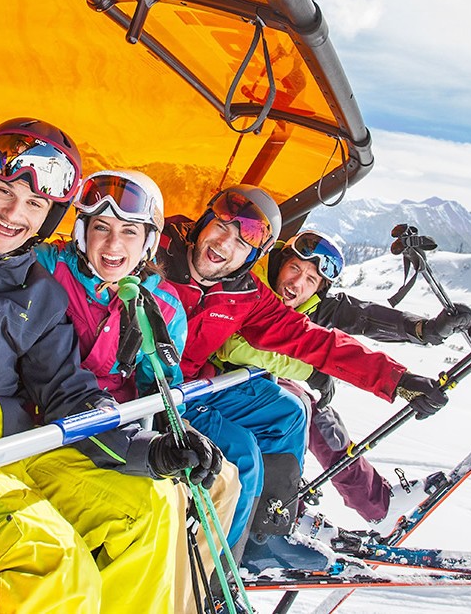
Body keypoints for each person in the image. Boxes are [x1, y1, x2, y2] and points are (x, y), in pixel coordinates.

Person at [0, 119, 222, 614]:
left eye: (35, 204)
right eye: (5, 191)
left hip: (20, 449)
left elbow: (68, 390)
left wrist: (150, 450)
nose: (15, 214)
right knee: (62, 568)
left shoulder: (40, 291)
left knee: (150, 508)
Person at [156, 184, 449, 564]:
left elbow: (319, 340)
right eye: (221, 227)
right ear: (202, 224)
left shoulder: (245, 294)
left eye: (242, 242)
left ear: (253, 257)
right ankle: (218, 572)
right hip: (150, 392)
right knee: (242, 452)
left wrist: (398, 379)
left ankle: (265, 533)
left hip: (190, 389)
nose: (225, 245)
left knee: (289, 411)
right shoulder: (157, 248)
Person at [35, 168, 240, 614]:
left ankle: (188, 600)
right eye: (101, 228)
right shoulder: (49, 271)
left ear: (147, 242)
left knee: (222, 478)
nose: (113, 245)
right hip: (58, 425)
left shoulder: (159, 304)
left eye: (129, 232)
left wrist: (174, 434)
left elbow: (158, 387)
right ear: (82, 230)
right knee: (160, 498)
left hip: (121, 426)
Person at [215, 229, 471, 571]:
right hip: (217, 385)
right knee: (301, 407)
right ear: (278, 263)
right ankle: (295, 514)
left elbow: (362, 316)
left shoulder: (308, 302)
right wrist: (310, 371)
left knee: (316, 411)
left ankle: (366, 504)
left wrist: (423, 330)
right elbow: (234, 346)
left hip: (251, 388)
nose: (298, 283)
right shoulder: (251, 284)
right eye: (295, 268)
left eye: (311, 279)